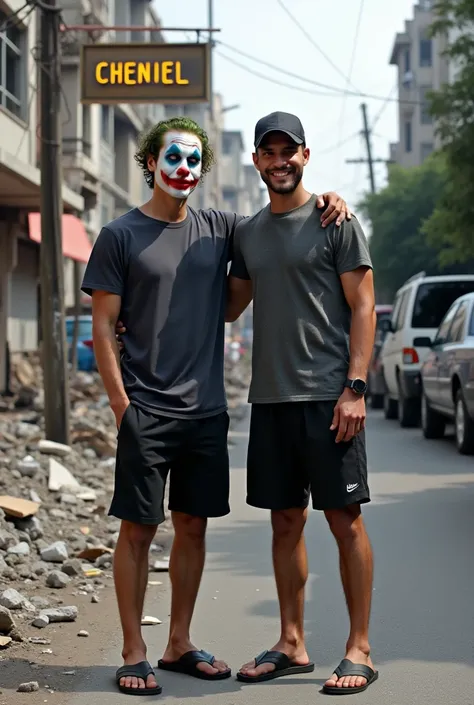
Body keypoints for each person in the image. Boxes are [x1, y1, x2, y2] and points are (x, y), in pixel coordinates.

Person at [81, 115, 352, 696]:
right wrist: (121, 408)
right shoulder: (118, 235)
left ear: (204, 171)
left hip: (205, 410)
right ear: (150, 161)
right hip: (144, 410)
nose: (183, 169)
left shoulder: (223, 229)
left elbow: (273, 235)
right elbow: (103, 328)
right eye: (173, 158)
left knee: (192, 527)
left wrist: (330, 198)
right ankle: (134, 650)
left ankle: (178, 642)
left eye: (193, 161)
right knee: (137, 529)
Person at [226, 111, 378, 695]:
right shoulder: (247, 233)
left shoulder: (336, 220)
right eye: (269, 152)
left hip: (330, 398)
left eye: (290, 151)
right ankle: (291, 643)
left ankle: (359, 647)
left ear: (305, 156)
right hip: (270, 399)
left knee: (344, 521)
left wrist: (356, 387)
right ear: (258, 162)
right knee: (284, 522)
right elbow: (228, 307)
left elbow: (364, 305)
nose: (280, 160)